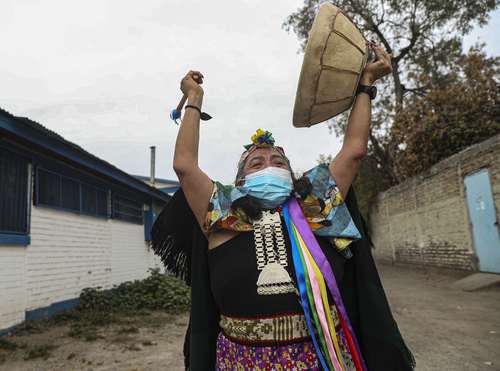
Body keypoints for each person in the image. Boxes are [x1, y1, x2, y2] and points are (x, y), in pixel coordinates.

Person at [152, 43, 415, 370]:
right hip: (240, 360)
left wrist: (366, 83)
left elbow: (354, 150)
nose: (269, 164)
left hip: (318, 359)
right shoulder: (224, 210)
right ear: (240, 180)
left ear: (291, 175)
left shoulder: (314, 203)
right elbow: (185, 165)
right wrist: (194, 99)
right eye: (256, 163)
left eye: (278, 161)